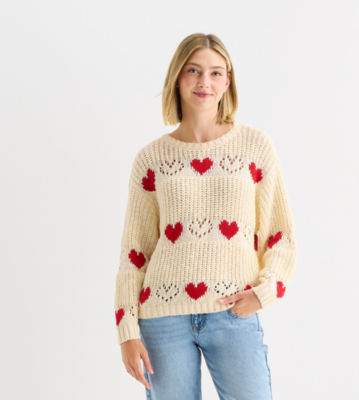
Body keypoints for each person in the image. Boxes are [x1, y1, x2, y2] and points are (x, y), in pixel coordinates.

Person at [113, 32, 298, 400]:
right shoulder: (151, 159)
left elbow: (281, 237)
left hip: (233, 313)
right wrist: (127, 332)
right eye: (193, 70)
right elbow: (134, 254)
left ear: (227, 82)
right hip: (162, 318)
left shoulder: (255, 148)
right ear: (177, 78)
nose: (204, 82)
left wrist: (264, 292)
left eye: (216, 73)